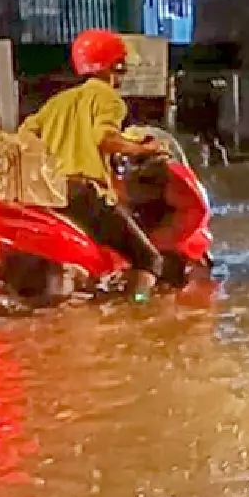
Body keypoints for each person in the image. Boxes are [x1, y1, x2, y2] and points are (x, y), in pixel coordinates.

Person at [22, 28, 167, 301]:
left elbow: (25, 137)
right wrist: (143, 148)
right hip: (83, 195)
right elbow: (105, 137)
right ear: (117, 65)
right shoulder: (107, 97)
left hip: (47, 195)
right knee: (149, 260)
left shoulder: (57, 103)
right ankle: (137, 314)